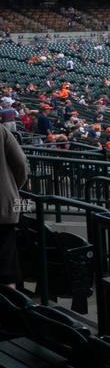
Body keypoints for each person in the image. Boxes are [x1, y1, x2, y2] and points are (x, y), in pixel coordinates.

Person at [0, 123, 28, 289]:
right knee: (6, 271)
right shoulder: (1, 130)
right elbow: (21, 164)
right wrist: (12, 189)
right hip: (3, 209)